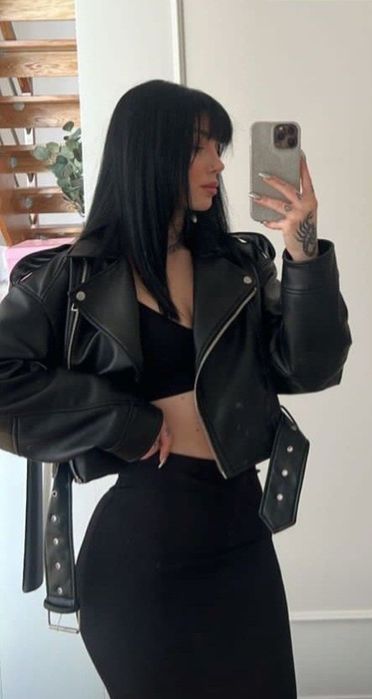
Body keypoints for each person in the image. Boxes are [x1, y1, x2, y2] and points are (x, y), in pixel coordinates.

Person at [0, 79, 352, 698]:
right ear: (149, 154)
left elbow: (311, 367)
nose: (218, 163)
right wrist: (120, 420)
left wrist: (303, 249)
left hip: (242, 538)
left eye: (218, 146)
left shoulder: (236, 266)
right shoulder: (72, 278)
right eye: (199, 146)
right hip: (141, 557)